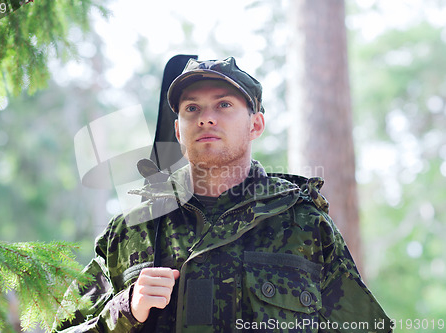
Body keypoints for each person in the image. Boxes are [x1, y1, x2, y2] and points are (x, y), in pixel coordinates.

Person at [54, 57, 392, 332]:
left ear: (255, 125)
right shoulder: (132, 229)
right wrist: (124, 310)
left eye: (224, 105)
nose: (206, 119)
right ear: (178, 130)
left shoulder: (302, 223)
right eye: (192, 109)